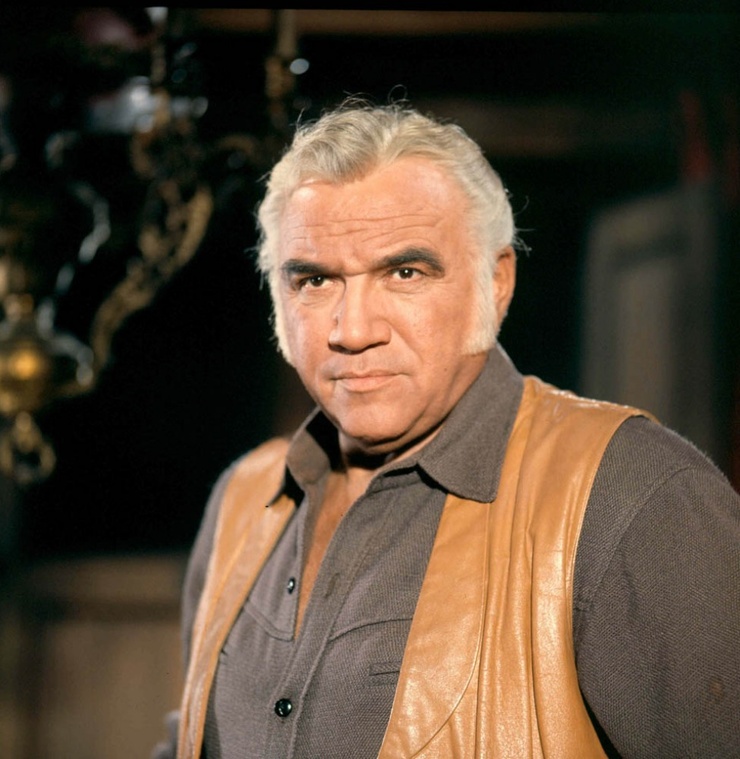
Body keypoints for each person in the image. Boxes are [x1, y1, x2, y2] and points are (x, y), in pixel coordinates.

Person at [153, 100, 740, 759]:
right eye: (315, 280)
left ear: (496, 282)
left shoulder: (635, 493)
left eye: (404, 273)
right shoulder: (244, 496)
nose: (353, 330)